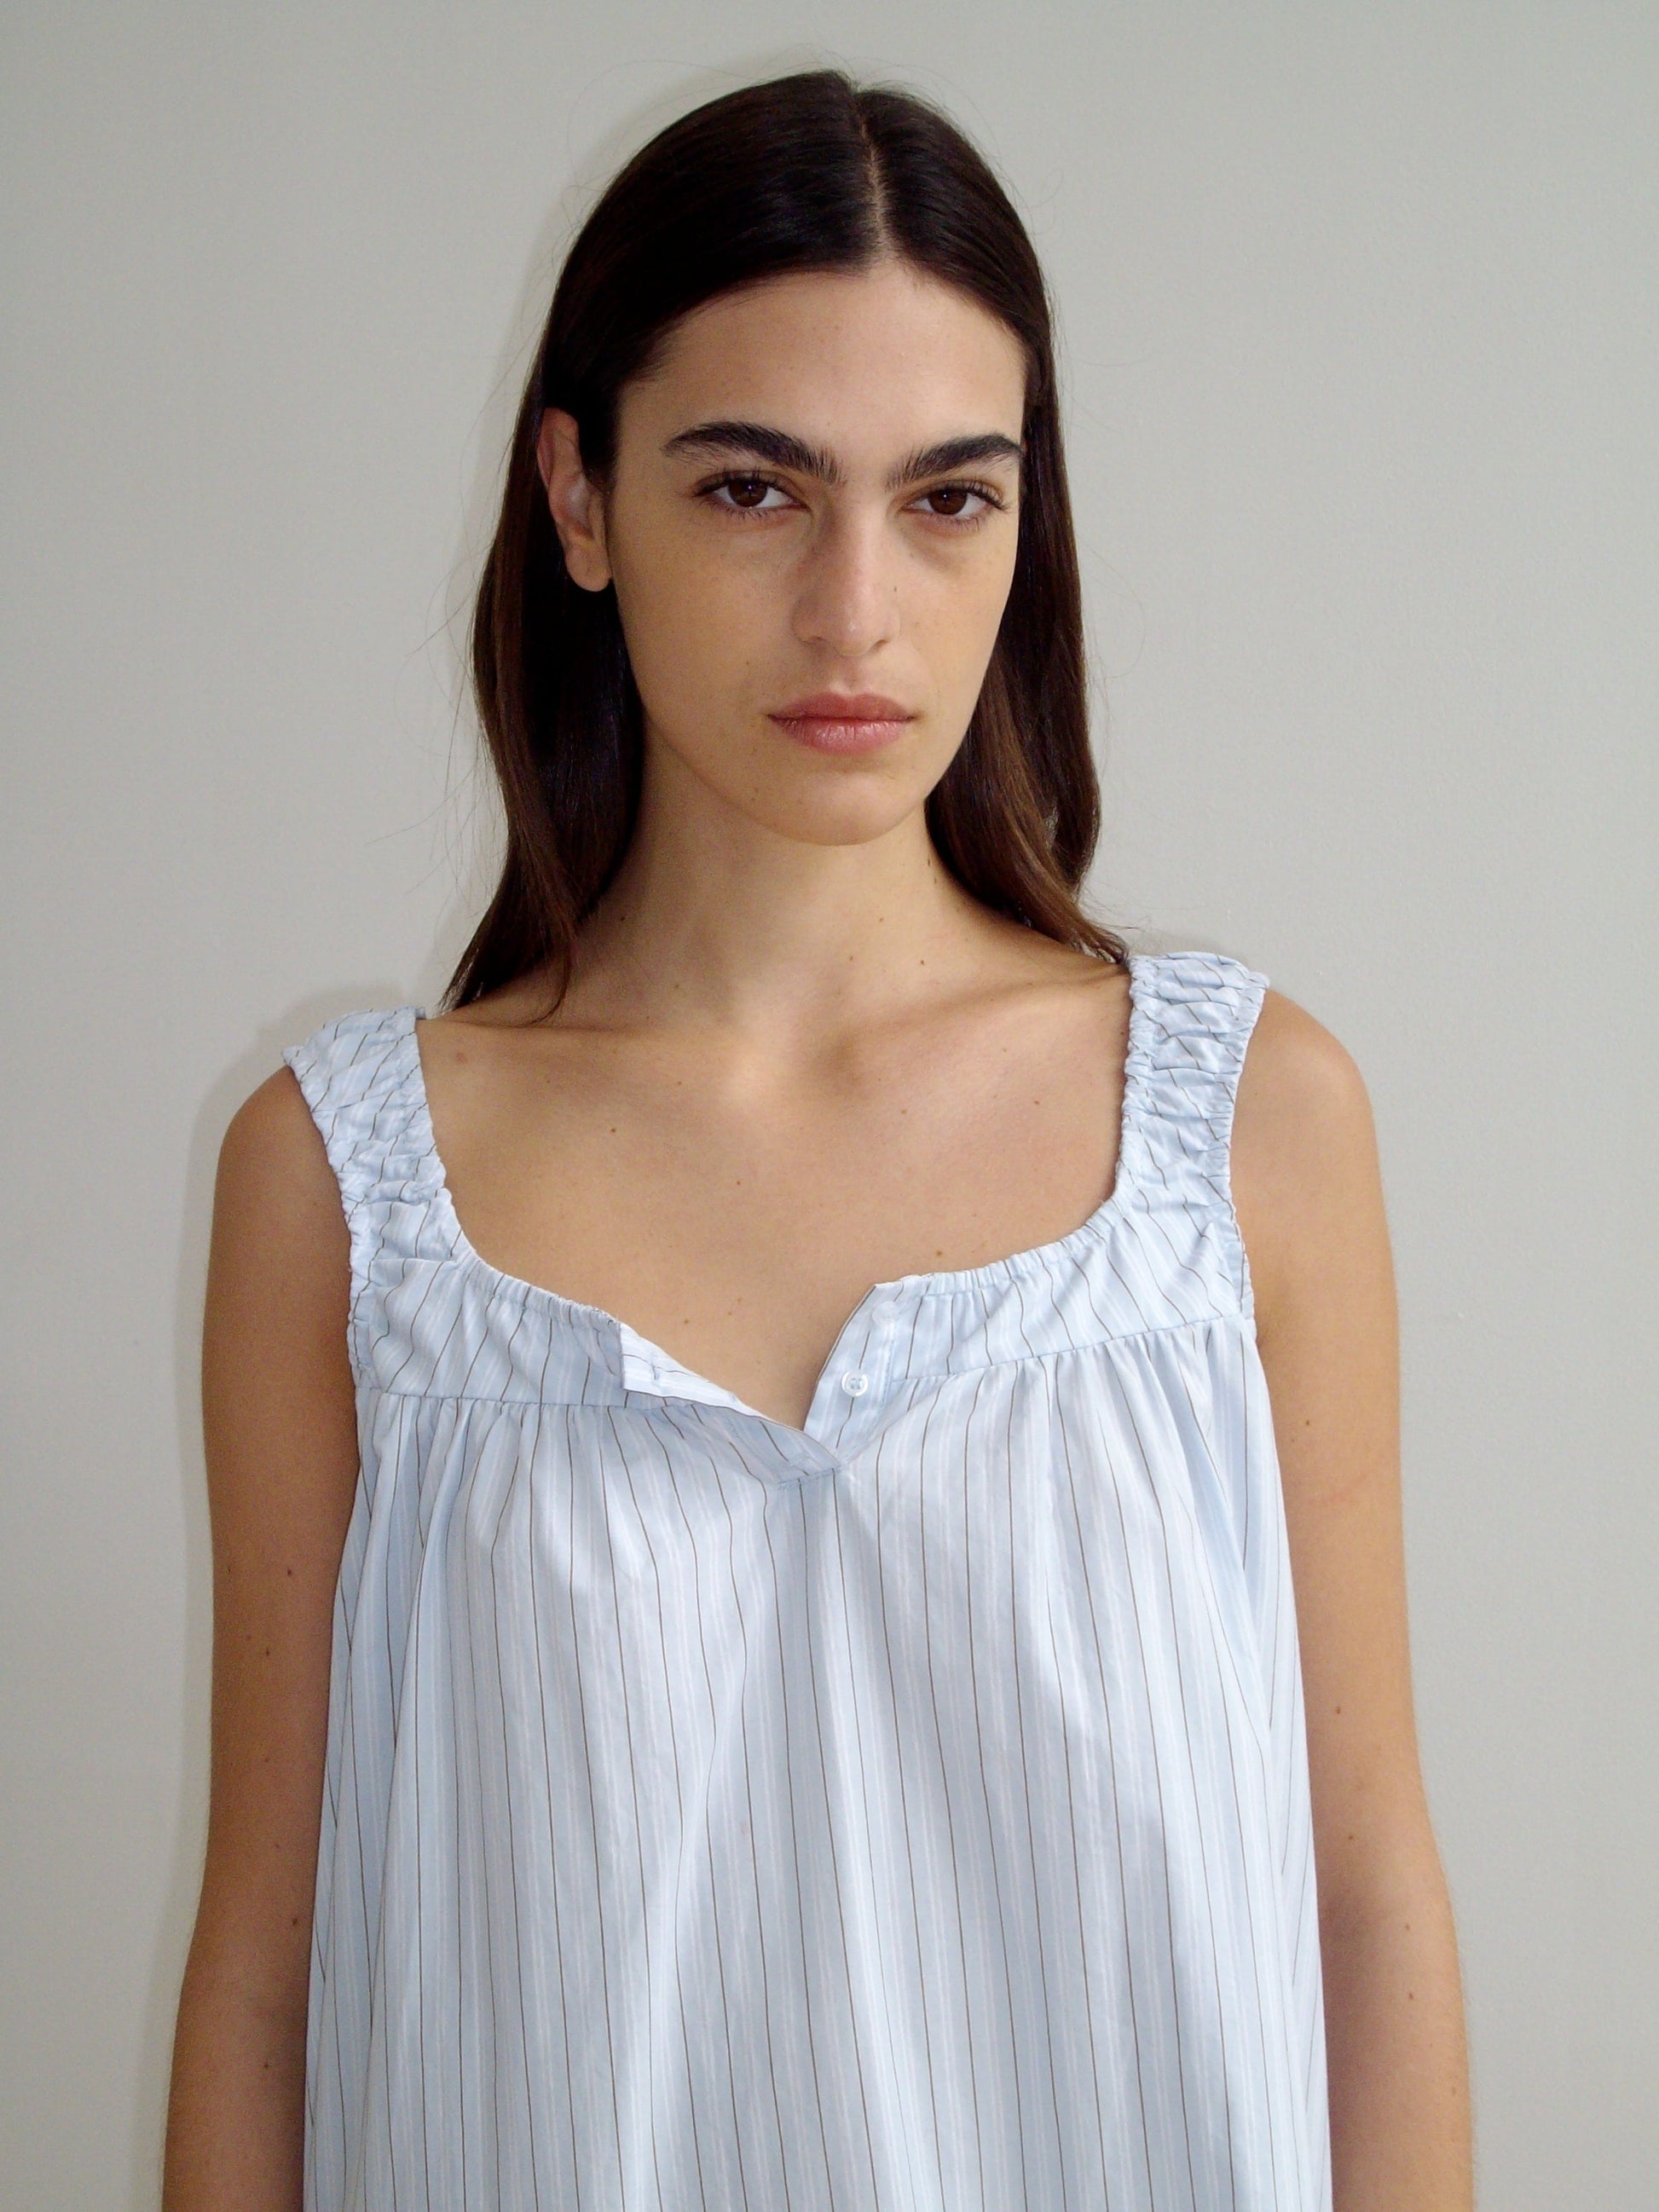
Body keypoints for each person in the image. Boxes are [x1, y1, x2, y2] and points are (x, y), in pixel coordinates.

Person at [163, 66, 1472, 2212]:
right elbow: (266, 1970)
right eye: (755, 489)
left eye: (948, 497)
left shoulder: (1245, 1130)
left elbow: (1366, 1903)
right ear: (577, 502)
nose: (857, 609)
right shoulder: (344, 1185)